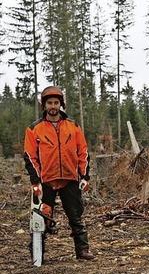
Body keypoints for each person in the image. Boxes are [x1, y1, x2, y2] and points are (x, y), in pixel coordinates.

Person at [23, 86, 95, 260]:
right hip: (46, 180)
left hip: (70, 178)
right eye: (50, 103)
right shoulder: (34, 129)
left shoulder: (73, 126)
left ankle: (82, 250)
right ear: (44, 105)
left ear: (61, 104)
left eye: (56, 102)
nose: (53, 106)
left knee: (76, 216)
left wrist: (84, 176)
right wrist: (35, 180)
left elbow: (83, 152)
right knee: (42, 217)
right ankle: (37, 254)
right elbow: (30, 156)